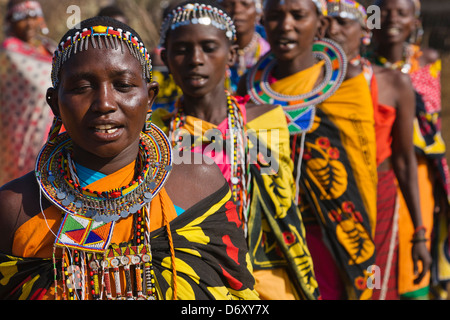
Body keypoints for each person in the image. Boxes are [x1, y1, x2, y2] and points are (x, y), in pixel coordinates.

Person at [0, 16, 259, 300]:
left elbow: (238, 297)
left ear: (149, 99)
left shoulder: (197, 185)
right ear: (54, 103)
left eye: (123, 85)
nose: (105, 104)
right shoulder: (16, 207)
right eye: (81, 87)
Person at [154, 0, 319, 300]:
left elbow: (279, 206)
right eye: (181, 50)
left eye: (208, 47)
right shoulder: (155, 133)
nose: (195, 59)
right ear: (165, 57)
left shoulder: (263, 121)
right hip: (189, 279)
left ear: (231, 54)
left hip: (262, 275)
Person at [240, 0, 378, 300]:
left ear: (320, 23)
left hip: (330, 234)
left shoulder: (347, 83)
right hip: (267, 234)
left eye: (298, 15)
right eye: (275, 16)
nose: (285, 25)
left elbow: (360, 164)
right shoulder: (245, 89)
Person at [325, 0, 431, 300]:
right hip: (326, 198)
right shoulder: (308, 88)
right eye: (327, 23)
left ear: (364, 30)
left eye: (344, 22)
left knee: (376, 287)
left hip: (379, 198)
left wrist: (419, 234)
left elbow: (404, 159)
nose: (334, 30)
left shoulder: (395, 83)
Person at [370, 0, 450, 300]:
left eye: (401, 13)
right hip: (379, 173)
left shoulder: (426, 61)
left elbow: (432, 132)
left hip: (417, 174)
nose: (392, 19)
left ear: (415, 23)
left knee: (414, 248)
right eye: (384, 12)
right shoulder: (359, 70)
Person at [0, 0, 56, 186]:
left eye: (33, 16)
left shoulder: (49, 47)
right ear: (10, 21)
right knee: (23, 185)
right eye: (22, 18)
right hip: (20, 130)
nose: (30, 23)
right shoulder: (9, 51)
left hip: (54, 127)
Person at [218, 0, 270, 94]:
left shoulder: (271, 53)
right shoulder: (210, 55)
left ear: (258, 11)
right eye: (229, 4)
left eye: (245, 4)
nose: (237, 10)